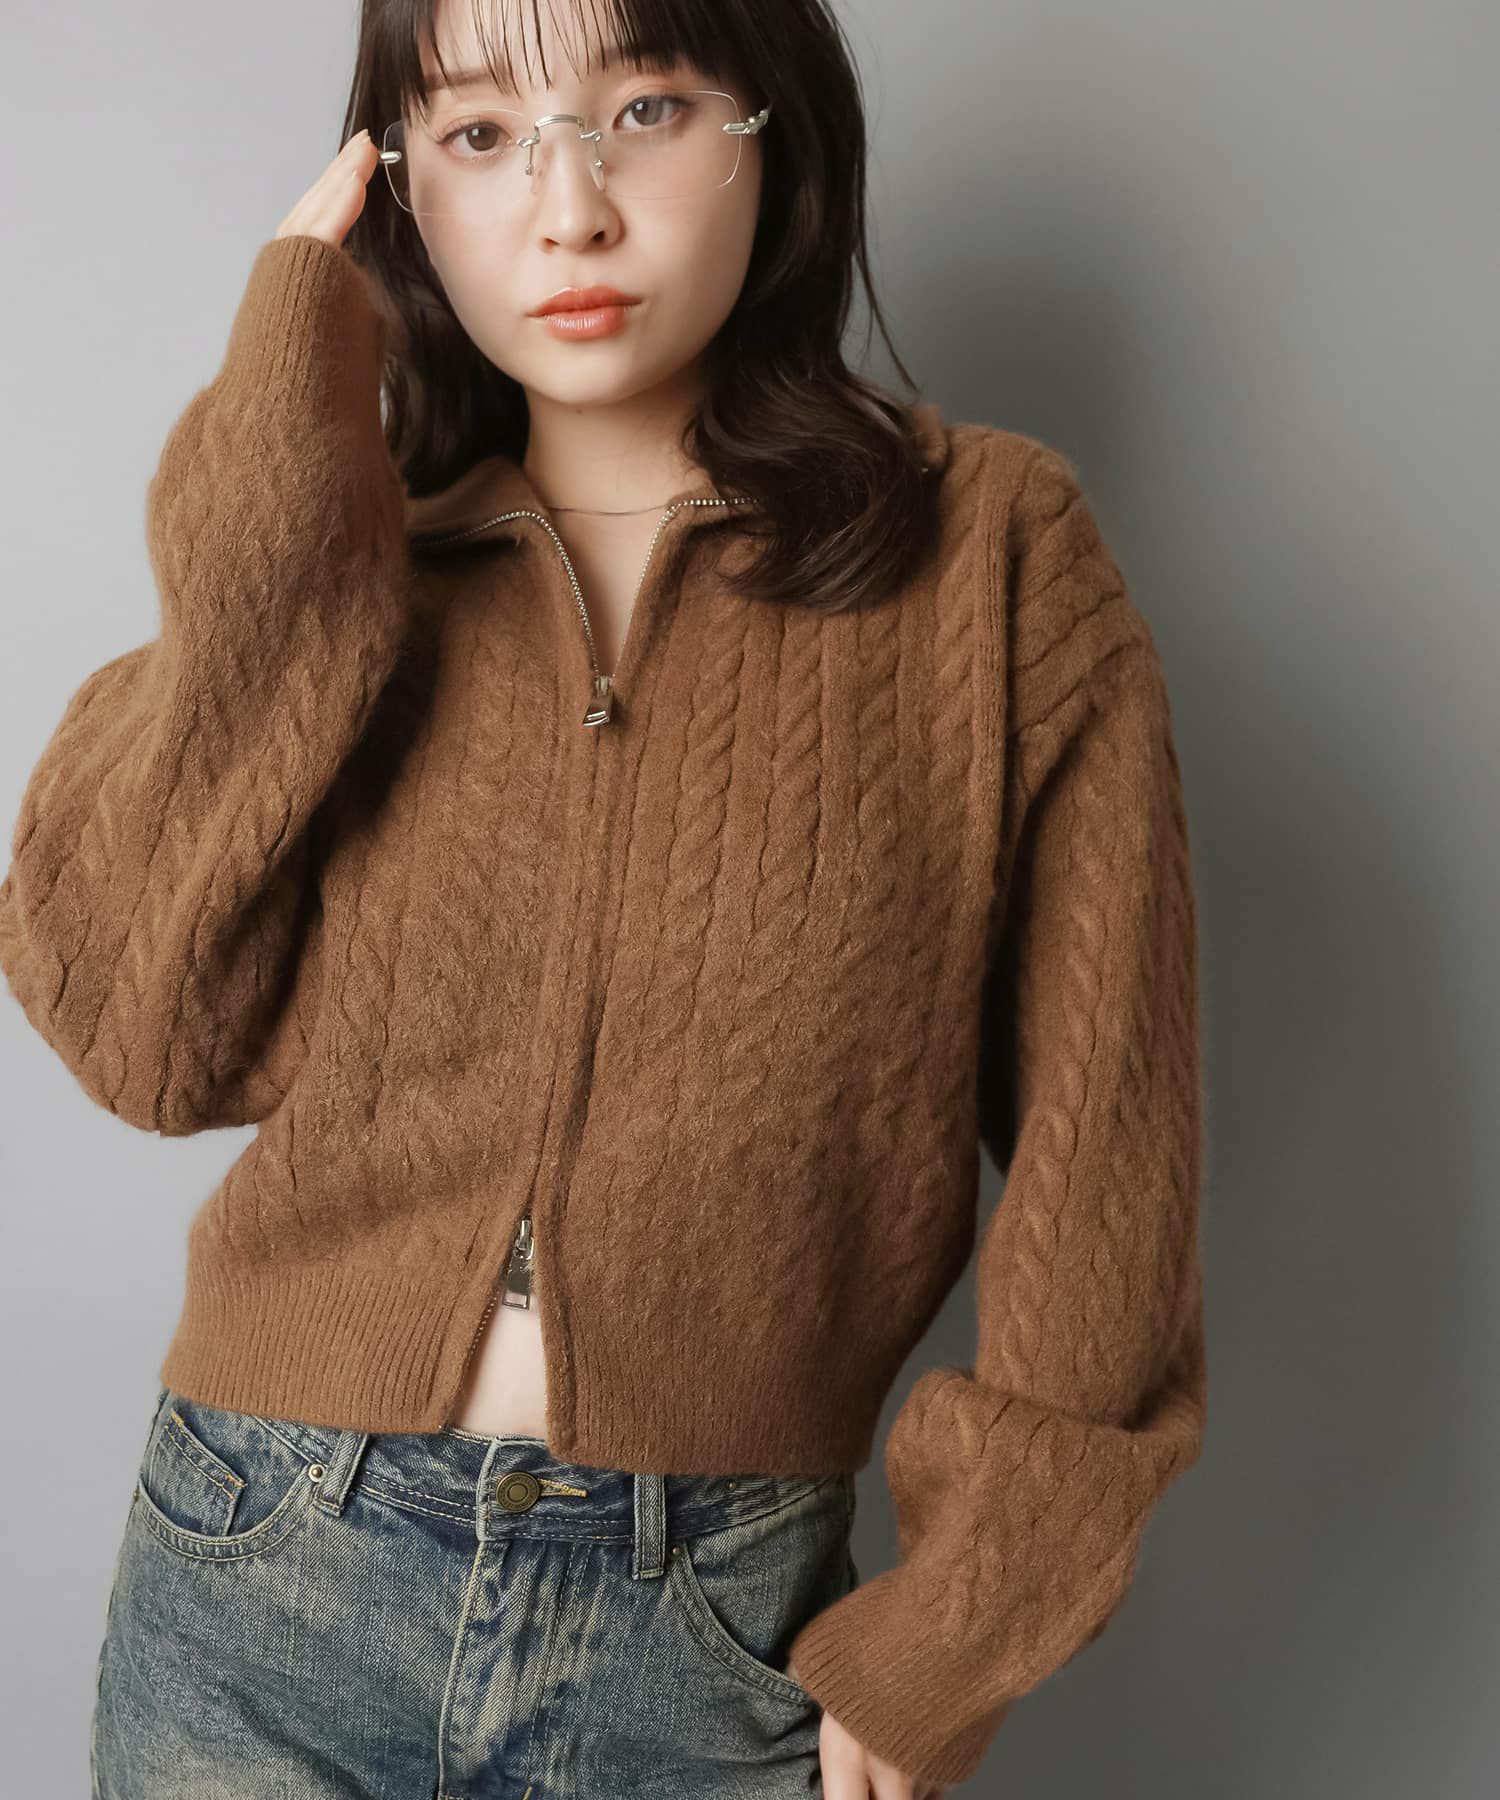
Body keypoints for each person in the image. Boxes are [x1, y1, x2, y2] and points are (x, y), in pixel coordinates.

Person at [0, 1, 1209, 1795]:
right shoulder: (355, 563)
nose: (568, 209)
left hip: (709, 1622)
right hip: (261, 1574)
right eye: (482, 136)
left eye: (645, 108)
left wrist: (961, 1626)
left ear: (772, 134)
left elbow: (1113, 1146)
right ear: (395, 190)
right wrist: (282, 473)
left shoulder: (992, 560)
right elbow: (144, 1037)